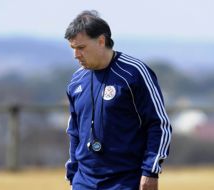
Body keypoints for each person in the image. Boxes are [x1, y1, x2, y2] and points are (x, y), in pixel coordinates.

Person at [64, 10, 172, 190]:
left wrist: (150, 171)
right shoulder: (76, 81)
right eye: (73, 48)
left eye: (81, 48)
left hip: (125, 181)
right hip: (84, 181)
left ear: (101, 41)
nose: (76, 55)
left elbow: (159, 124)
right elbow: (75, 130)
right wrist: (73, 173)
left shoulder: (134, 73)